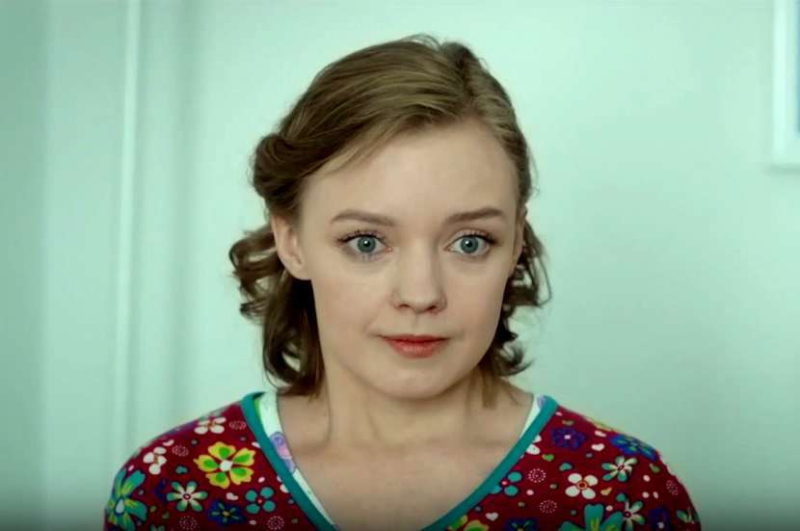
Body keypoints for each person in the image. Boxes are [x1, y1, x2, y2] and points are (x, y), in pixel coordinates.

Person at [103, 33, 701, 531]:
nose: (421, 294)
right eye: (366, 242)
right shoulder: (174, 490)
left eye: (470, 242)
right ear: (291, 241)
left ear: (517, 241)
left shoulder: (622, 496)